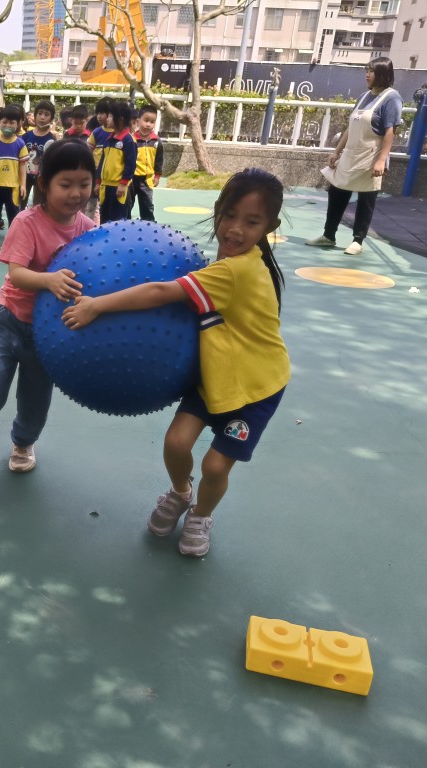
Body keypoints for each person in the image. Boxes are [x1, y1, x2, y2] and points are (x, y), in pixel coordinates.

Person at [62, 168, 290, 557]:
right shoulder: (231, 262)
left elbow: (158, 291)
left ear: (270, 227)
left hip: (255, 388)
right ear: (218, 211)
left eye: (252, 222)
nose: (235, 229)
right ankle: (181, 493)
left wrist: (96, 305)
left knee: (216, 466)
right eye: (229, 215)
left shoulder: (236, 270)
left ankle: (201, 514)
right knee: (176, 442)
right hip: (215, 378)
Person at [0, 139, 97, 485]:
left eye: (84, 184)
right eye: (65, 184)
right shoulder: (27, 222)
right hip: (9, 322)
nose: (75, 193)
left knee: (36, 398)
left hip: (48, 333)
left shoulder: (87, 229)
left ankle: (23, 443)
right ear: (44, 183)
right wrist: (49, 280)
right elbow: (17, 274)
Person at [305, 57, 402, 256]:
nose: (367, 75)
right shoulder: (364, 96)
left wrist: (381, 160)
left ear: (383, 74)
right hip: (351, 154)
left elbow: (390, 131)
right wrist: (337, 151)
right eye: (367, 70)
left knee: (366, 198)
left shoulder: (391, 98)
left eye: (372, 71)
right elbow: (350, 128)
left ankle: (358, 240)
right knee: (337, 192)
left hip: (371, 156)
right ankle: (328, 235)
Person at [0, 104, 29, 250]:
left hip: (13, 185)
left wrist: (23, 185)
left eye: (11, 123)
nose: (8, 125)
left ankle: (14, 237)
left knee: (13, 212)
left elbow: (22, 166)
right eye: (5, 122)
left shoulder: (20, 143)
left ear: (18, 124)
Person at [98, 99, 137, 223]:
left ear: (120, 119)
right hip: (105, 186)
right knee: (104, 220)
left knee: (117, 221)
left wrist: (123, 184)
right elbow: (102, 161)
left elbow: (130, 164)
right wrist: (98, 182)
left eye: (110, 116)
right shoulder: (109, 139)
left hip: (118, 187)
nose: (107, 119)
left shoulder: (128, 140)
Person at [130, 105, 165, 221]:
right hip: (132, 179)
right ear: (138, 121)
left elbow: (159, 159)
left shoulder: (156, 141)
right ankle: (124, 224)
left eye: (152, 122)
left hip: (147, 179)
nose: (148, 124)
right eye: (146, 120)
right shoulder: (132, 139)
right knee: (127, 204)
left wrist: (157, 176)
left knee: (147, 206)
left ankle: (149, 225)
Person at [21, 100, 57, 210]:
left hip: (41, 177)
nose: (42, 117)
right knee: (21, 201)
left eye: (46, 114)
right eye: (40, 113)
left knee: (39, 204)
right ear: (35, 116)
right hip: (24, 175)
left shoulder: (52, 138)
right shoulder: (26, 136)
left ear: (51, 118)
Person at [87, 98, 114, 223]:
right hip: (95, 172)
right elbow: (89, 150)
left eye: (102, 113)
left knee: (106, 204)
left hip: (110, 175)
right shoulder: (97, 132)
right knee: (91, 203)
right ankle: (89, 226)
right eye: (97, 113)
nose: (99, 116)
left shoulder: (118, 134)